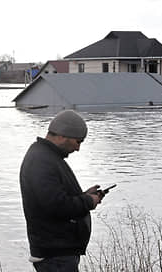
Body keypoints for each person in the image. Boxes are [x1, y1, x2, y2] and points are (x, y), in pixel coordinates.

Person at [19, 109, 105, 272]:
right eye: (78, 141)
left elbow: (55, 197)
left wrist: (83, 196)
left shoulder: (47, 157)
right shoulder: (41, 160)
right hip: (55, 256)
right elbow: (56, 206)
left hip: (59, 253)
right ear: (63, 135)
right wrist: (88, 201)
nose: (78, 148)